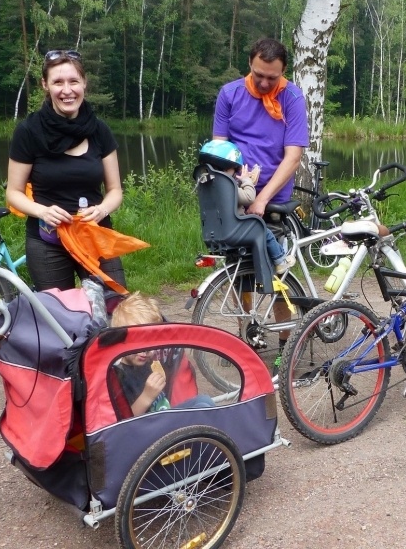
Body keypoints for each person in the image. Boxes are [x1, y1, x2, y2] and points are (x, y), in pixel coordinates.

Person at [212, 37, 309, 370]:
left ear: (283, 72)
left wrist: (264, 198)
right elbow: (219, 147)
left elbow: (293, 156)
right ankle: (246, 335)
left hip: (274, 197)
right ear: (249, 64)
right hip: (238, 191)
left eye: (273, 77)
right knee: (240, 271)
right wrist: (234, 181)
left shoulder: (293, 98)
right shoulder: (229, 94)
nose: (265, 83)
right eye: (258, 75)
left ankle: (286, 344)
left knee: (277, 275)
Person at [6, 49, 126, 293]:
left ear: (84, 83)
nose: (67, 90)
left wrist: (102, 209)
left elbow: (115, 190)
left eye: (73, 81)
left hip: (95, 235)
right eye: (58, 82)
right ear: (45, 85)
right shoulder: (29, 131)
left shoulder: (99, 130)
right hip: (48, 242)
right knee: (60, 320)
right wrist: (43, 211)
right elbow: (14, 193)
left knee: (114, 310)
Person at [198, 139, 295, 274]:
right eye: (234, 169)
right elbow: (249, 198)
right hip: (236, 228)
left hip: (215, 231)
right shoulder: (226, 186)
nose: (236, 173)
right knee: (264, 231)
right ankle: (280, 260)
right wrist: (247, 181)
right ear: (226, 167)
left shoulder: (208, 186)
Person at [112, 292, 214, 416]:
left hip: (165, 416)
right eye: (137, 344)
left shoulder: (148, 363)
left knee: (204, 401)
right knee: (201, 409)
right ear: (121, 341)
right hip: (150, 430)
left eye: (150, 343)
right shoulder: (119, 376)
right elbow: (123, 423)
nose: (145, 351)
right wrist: (146, 397)